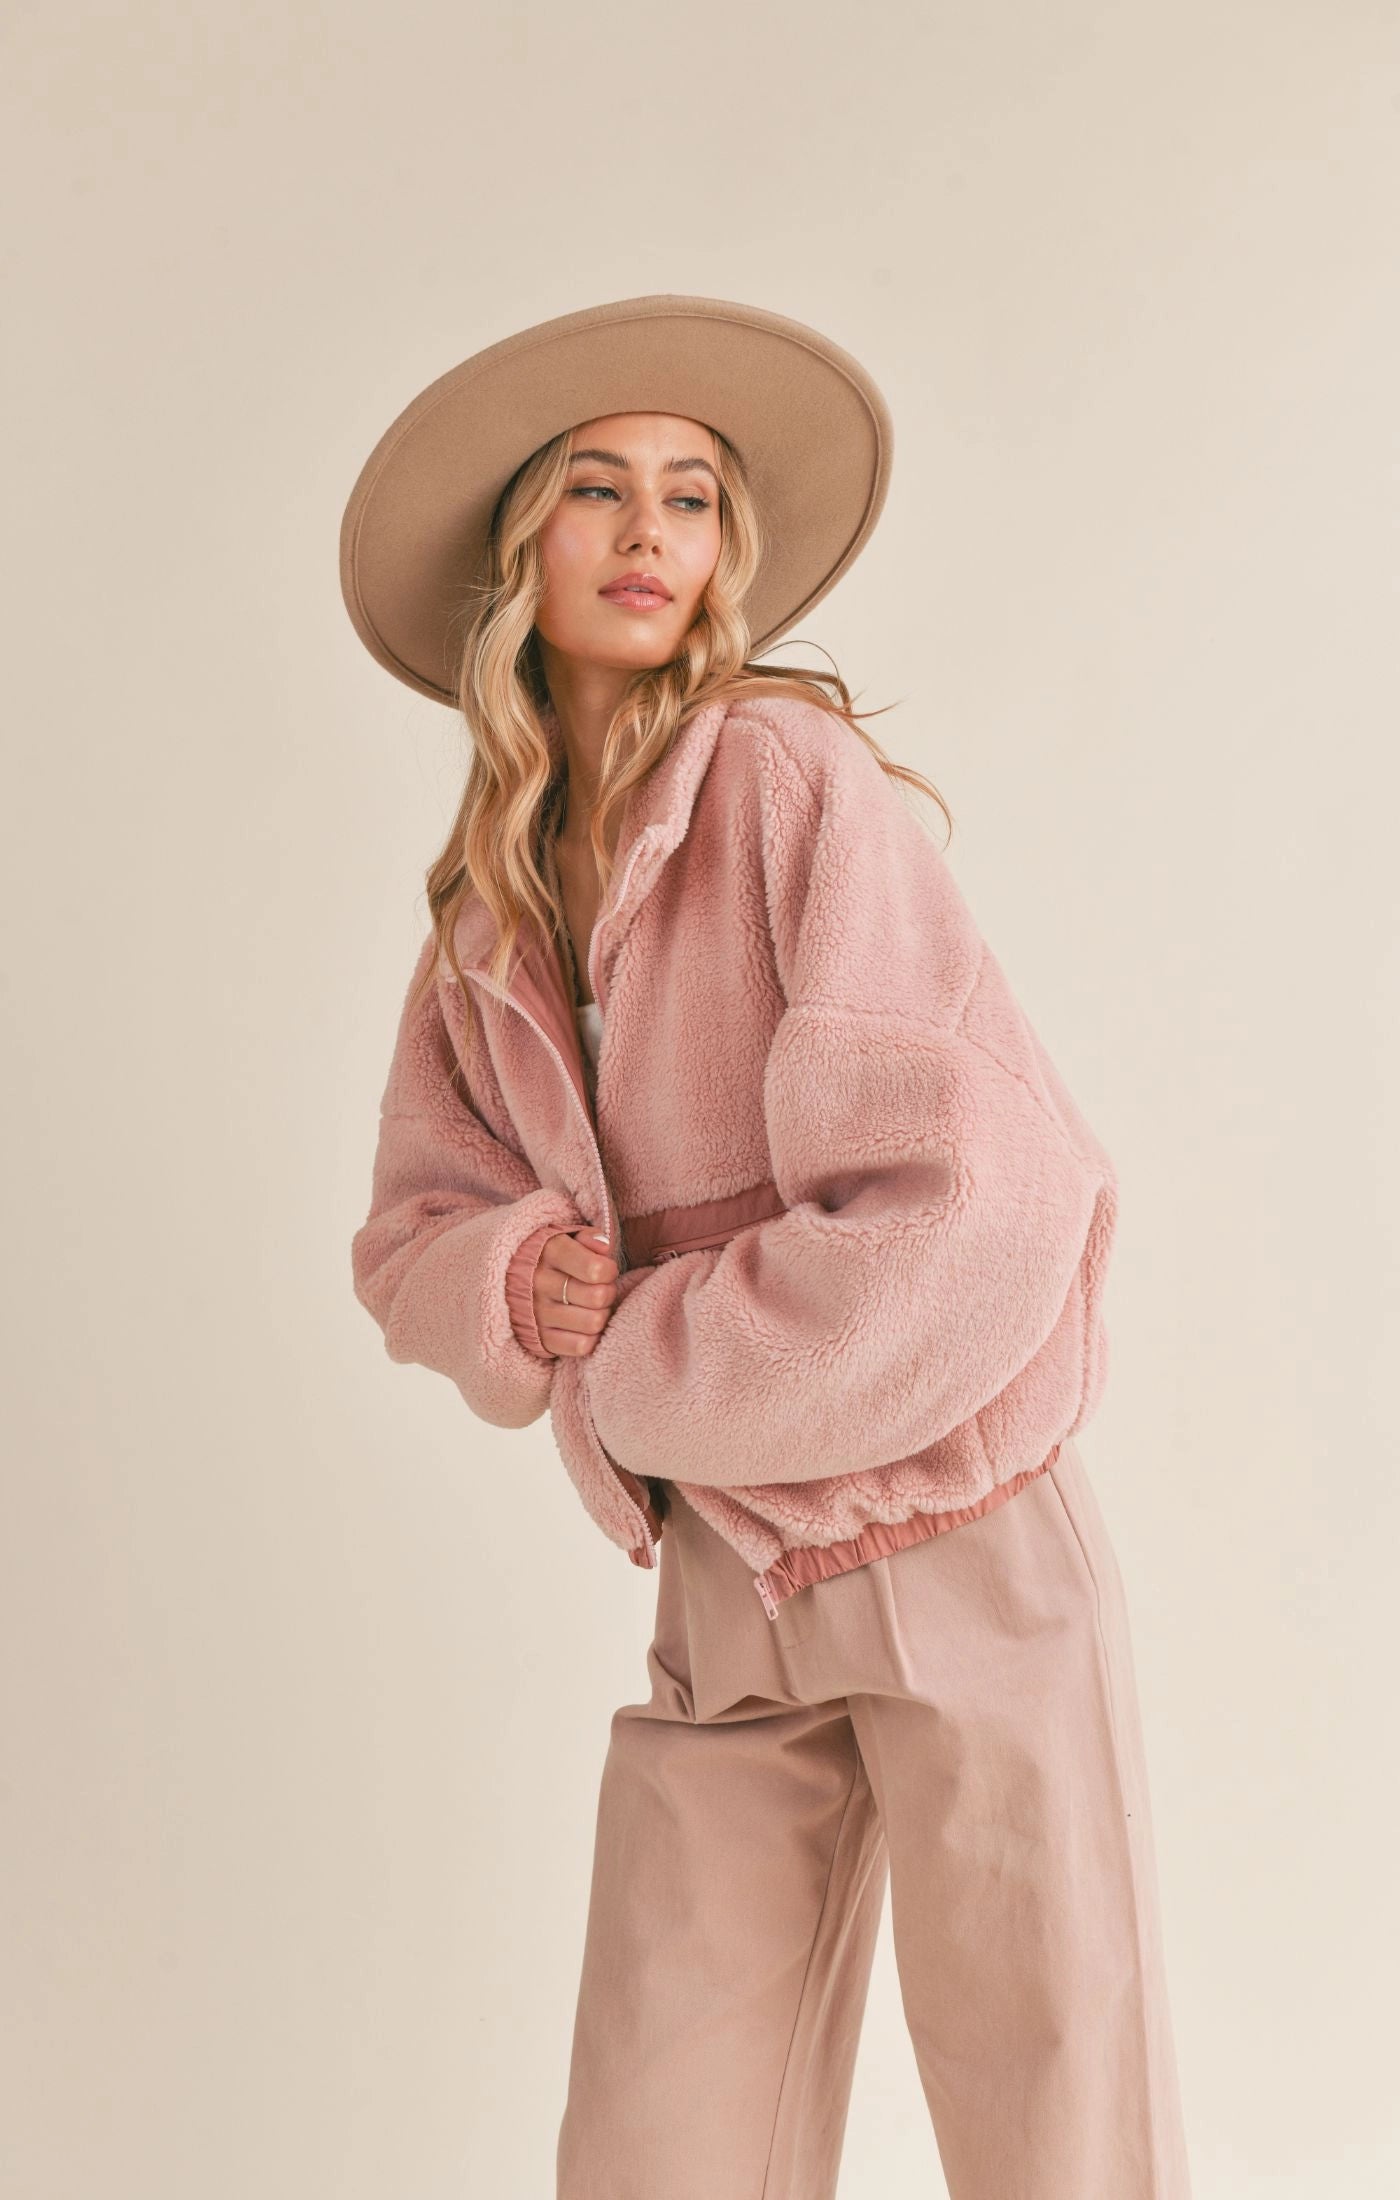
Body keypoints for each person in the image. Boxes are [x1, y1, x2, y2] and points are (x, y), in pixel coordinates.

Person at [341, 294, 1194, 2199]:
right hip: (728, 1585)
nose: (649, 532)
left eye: (692, 496)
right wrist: (510, 1281)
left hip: (960, 1536)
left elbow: (986, 1194)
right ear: (521, 547)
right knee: (660, 2145)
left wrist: (633, 1359)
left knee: (1058, 2136)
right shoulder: (485, 914)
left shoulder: (784, 783)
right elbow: (411, 1232)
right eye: (597, 488)